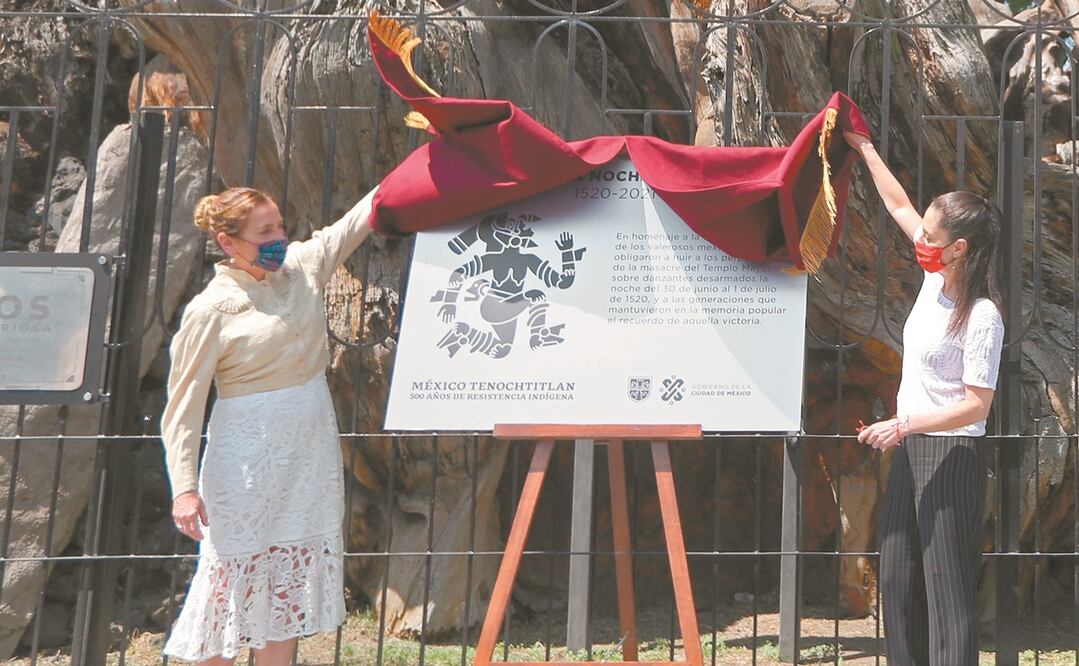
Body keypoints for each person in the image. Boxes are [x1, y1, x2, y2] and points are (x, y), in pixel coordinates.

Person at [160, 184, 377, 664]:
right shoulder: (209, 310)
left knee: (287, 587)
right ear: (228, 242)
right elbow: (183, 408)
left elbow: (359, 219)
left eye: (280, 225)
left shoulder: (301, 266)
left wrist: (434, 149)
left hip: (308, 450)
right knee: (228, 583)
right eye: (265, 231)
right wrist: (183, 488)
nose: (279, 236)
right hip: (246, 461)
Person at [844, 131, 1005, 665]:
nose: (921, 238)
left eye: (931, 235)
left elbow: (977, 406)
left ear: (959, 248)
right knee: (895, 573)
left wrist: (905, 424)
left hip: (951, 454)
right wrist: (863, 145)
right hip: (913, 449)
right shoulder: (933, 281)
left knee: (947, 590)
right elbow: (896, 204)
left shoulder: (982, 315)